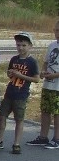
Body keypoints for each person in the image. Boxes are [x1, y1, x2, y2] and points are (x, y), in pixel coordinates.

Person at [0, 32, 40, 154]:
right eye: (18, 45)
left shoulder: (32, 62)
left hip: (21, 94)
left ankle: (16, 143)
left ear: (30, 46)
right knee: (2, 116)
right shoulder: (14, 59)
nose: (20, 48)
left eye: (24, 45)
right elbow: (8, 73)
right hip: (9, 92)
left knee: (19, 119)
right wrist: (10, 73)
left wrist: (21, 75)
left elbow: (36, 79)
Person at [28, 20, 59, 149]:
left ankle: (57, 138)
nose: (57, 33)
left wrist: (55, 75)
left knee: (57, 113)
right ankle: (43, 136)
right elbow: (46, 62)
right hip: (48, 84)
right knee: (45, 110)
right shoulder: (52, 45)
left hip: (58, 86)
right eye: (56, 30)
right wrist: (43, 71)